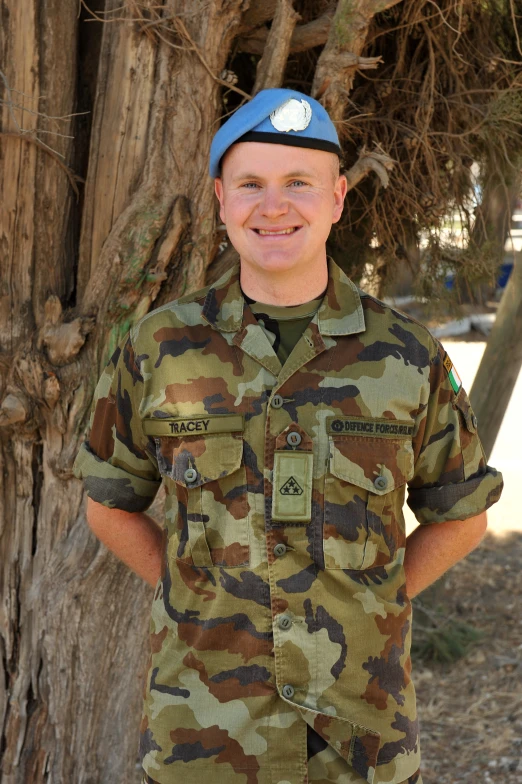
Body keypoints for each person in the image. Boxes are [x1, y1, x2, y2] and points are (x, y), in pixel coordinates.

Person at [73, 88, 503, 784]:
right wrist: (197, 593)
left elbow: (462, 516)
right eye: (251, 185)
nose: (274, 206)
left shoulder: (408, 355)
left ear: (336, 199)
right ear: (221, 199)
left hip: (362, 740)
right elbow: (109, 502)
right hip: (204, 739)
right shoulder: (160, 348)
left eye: (297, 183)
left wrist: (373, 601)